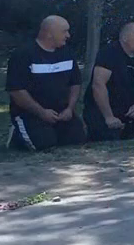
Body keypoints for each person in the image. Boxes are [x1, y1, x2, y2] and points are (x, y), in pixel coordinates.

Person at [7, 15, 86, 151]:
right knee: (44, 144)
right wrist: (41, 112)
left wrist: (70, 109)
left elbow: (75, 83)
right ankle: (16, 135)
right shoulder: (23, 55)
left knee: (77, 140)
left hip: (62, 113)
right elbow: (16, 90)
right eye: (64, 31)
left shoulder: (67, 53)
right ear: (49, 34)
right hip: (32, 114)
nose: (68, 35)